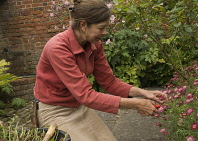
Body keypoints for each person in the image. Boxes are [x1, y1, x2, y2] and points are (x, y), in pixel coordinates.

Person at [34, 0, 167, 141]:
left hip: (79, 107)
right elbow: (86, 95)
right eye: (101, 28)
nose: (105, 33)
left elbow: (109, 82)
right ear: (83, 25)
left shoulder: (94, 45)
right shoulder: (58, 48)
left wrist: (143, 93)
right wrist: (137, 104)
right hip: (55, 111)